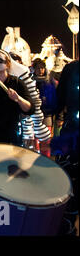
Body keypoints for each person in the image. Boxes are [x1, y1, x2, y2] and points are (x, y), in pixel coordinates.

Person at [50, 60, 79, 236]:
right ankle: (67, 225)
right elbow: (59, 101)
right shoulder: (72, 69)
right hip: (73, 135)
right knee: (68, 186)